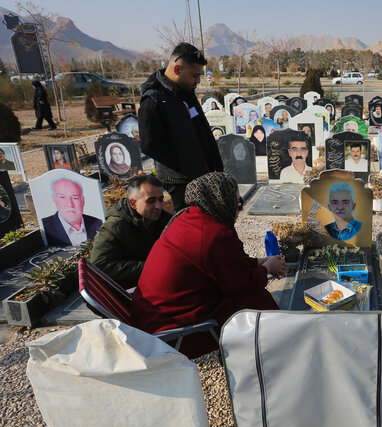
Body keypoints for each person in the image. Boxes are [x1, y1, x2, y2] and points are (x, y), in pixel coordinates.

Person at [131, 172, 288, 359]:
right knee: (257, 301)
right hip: (168, 329)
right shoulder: (212, 233)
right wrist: (267, 269)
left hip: (151, 315)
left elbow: (224, 264)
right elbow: (238, 284)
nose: (240, 208)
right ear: (221, 201)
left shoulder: (191, 217)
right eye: (237, 202)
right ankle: (275, 355)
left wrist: (257, 262)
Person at [138, 42, 223, 211]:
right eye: (195, 75)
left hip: (202, 174)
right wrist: (184, 163)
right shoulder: (154, 99)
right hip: (180, 182)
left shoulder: (185, 92)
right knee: (189, 224)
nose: (198, 80)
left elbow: (200, 130)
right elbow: (149, 144)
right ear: (177, 70)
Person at [90, 175, 171, 288]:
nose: (158, 206)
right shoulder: (115, 225)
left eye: (160, 199)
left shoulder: (164, 219)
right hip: (128, 292)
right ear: (133, 203)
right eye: (151, 201)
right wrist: (151, 267)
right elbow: (99, 266)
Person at [42, 178, 103, 247]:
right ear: (54, 199)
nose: (70, 204)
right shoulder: (46, 226)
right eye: (62, 197)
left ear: (83, 201)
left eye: (75, 198)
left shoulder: (98, 223)